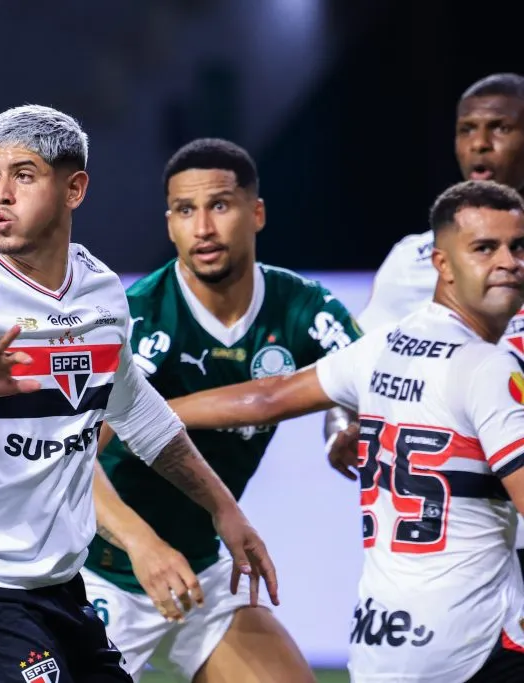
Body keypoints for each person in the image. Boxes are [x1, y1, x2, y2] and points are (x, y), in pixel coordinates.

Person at [0, 105, 278, 683]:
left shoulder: (101, 294)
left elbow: (141, 415)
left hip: (58, 590)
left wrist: (223, 510)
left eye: (23, 175)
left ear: (74, 188)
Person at [161, 180, 524, 682]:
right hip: (473, 641)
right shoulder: (489, 368)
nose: (509, 261)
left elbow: (270, 397)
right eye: (485, 248)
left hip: (383, 643)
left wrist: (151, 413)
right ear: (442, 265)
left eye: (517, 246)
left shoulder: (387, 346)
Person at [82, 138, 357, 682]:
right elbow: (70, 462)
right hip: (99, 572)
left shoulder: (303, 307)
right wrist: (144, 544)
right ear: (169, 224)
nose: (203, 228)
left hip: (202, 568)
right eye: (185, 211)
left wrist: (341, 428)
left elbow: (357, 384)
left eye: (220, 206)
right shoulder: (135, 319)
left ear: (256, 213)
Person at [350, 73, 524, 571]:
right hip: (454, 532)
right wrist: (343, 427)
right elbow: (355, 367)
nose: (480, 144)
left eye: (500, 129)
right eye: (467, 129)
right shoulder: (412, 259)